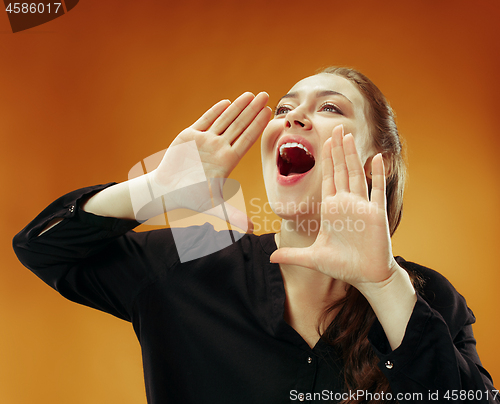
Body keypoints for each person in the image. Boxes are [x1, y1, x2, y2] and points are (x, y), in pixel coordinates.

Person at [13, 67, 497, 403]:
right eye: (286, 107)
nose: (295, 116)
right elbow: (43, 247)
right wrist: (152, 191)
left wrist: (383, 283)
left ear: (379, 163)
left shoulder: (423, 297)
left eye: (330, 108)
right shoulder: (196, 256)